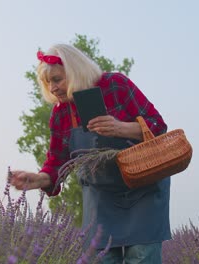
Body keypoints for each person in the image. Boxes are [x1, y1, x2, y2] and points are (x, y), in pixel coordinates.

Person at [10, 44, 171, 264]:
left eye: (57, 79)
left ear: (75, 71)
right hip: (100, 201)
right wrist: (40, 179)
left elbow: (158, 127)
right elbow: (57, 163)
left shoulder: (116, 85)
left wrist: (121, 128)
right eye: (47, 82)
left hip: (143, 191)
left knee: (141, 257)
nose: (52, 87)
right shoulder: (60, 114)